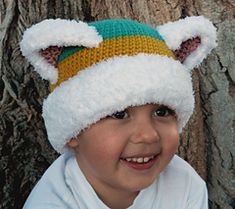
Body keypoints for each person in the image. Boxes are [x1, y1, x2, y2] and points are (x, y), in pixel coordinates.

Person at [20, 16, 217, 209]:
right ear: (73, 131)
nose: (148, 135)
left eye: (161, 112)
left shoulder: (185, 184)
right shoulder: (49, 203)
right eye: (120, 114)